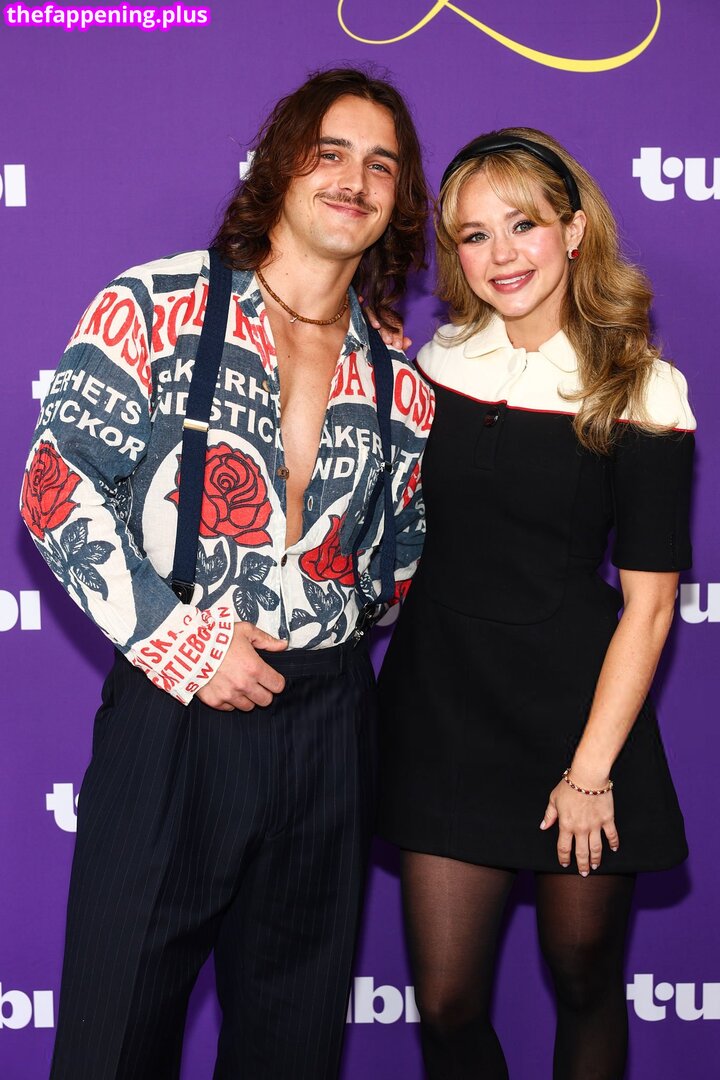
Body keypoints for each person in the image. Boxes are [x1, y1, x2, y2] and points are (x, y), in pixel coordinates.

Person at [20, 67, 432, 1080]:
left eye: (382, 165)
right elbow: (52, 486)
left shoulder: (401, 381)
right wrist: (182, 640)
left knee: (293, 1050)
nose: (355, 179)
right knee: (113, 1042)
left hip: (328, 731)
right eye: (330, 153)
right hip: (175, 718)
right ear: (281, 165)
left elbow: (395, 570)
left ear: (399, 201)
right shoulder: (155, 304)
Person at [377, 128, 694, 1079]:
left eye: (523, 224)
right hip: (443, 711)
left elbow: (648, 609)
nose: (501, 254)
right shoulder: (435, 363)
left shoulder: (642, 388)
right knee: (446, 1003)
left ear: (574, 229)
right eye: (474, 235)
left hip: (576, 722)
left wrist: (590, 773)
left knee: (584, 977)